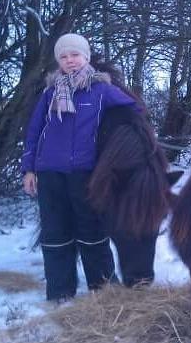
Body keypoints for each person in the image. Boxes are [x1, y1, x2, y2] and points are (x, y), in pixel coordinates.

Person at [21, 33, 139, 302]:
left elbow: (135, 113)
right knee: (54, 234)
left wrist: (127, 150)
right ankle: (60, 293)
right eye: (63, 56)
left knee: (92, 232)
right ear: (58, 61)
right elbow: (34, 131)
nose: (69, 60)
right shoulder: (50, 92)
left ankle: (105, 292)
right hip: (49, 173)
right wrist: (29, 168)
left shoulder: (102, 90)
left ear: (85, 57)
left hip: (86, 173)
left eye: (74, 55)